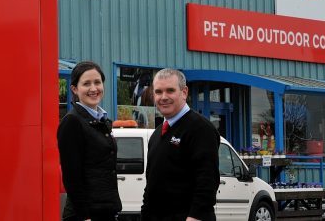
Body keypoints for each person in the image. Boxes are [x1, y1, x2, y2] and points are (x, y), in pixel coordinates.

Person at [141, 68, 220, 221]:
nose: (163, 97)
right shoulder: (156, 134)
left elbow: (207, 181)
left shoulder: (201, 129)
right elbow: (151, 184)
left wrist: (195, 216)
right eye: (158, 92)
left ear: (184, 92)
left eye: (170, 91)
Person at [58, 61, 122, 221]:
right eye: (86, 83)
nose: (93, 88)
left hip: (105, 210)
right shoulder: (72, 122)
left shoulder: (102, 121)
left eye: (97, 82)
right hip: (85, 215)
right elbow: (72, 177)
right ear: (75, 89)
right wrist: (84, 216)